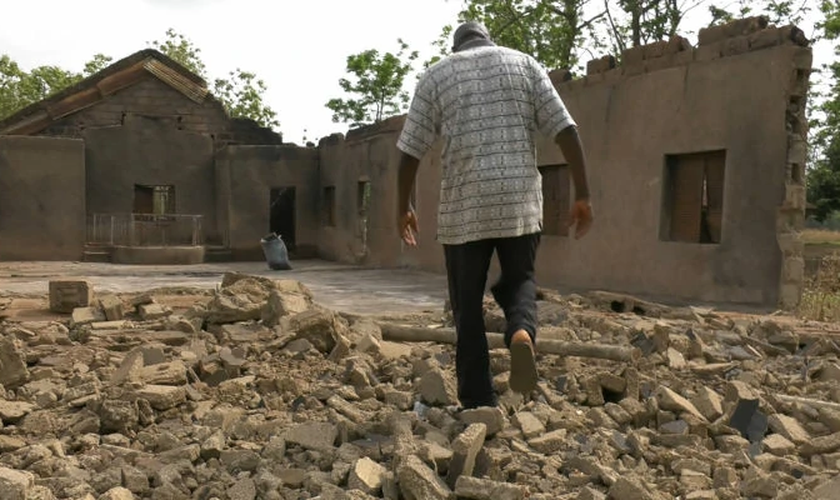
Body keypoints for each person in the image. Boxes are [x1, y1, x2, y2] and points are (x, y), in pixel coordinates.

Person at [395, 21, 593, 409]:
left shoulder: (437, 75)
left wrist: (403, 205)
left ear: (457, 46)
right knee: (520, 278)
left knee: (466, 307)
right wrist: (583, 194)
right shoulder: (525, 65)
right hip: (518, 202)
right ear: (488, 39)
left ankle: (478, 402)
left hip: (464, 210)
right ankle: (521, 332)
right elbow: (566, 130)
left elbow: (409, 151)